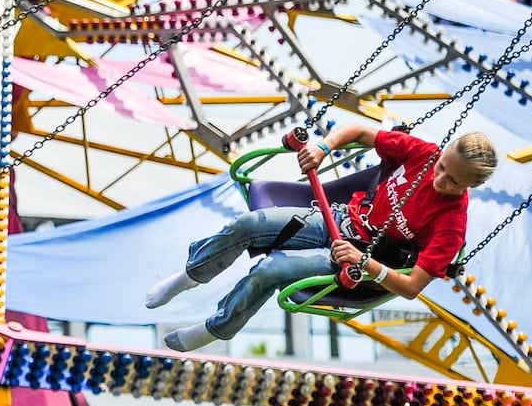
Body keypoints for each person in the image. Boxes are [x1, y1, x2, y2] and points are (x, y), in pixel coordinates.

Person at [146, 123, 496, 352]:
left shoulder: (451, 223)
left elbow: (412, 286)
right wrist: (323, 148)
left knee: (270, 270)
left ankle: (216, 328)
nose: (439, 180)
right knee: (248, 224)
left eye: (452, 181)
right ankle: (190, 276)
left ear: (473, 185)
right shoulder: (423, 154)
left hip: (361, 260)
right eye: (441, 169)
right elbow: (358, 131)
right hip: (343, 220)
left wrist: (365, 263)